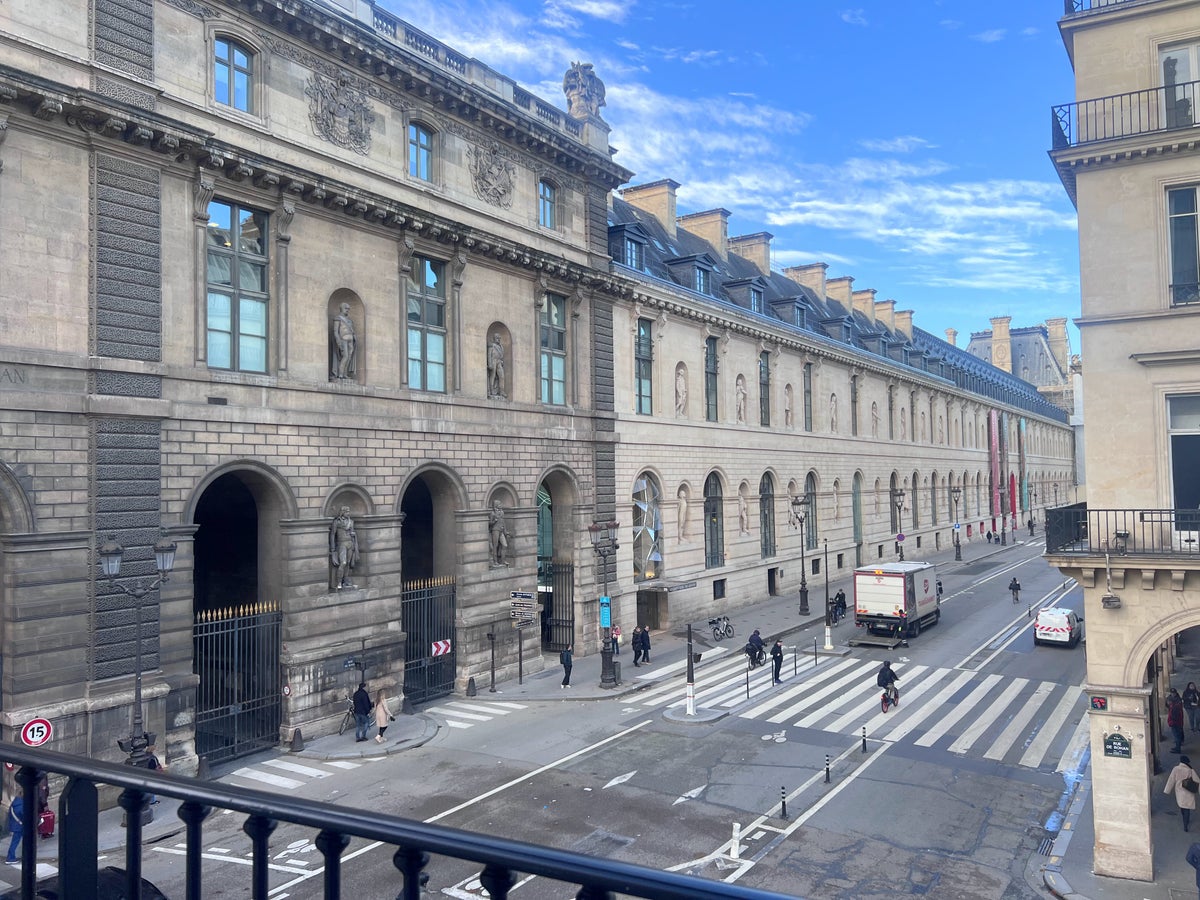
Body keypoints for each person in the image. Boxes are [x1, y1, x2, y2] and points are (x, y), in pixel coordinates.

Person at [328, 506, 359, 590]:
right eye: (347, 512)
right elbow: (332, 534)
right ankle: (338, 582)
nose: (348, 513)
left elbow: (353, 532)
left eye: (349, 512)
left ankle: (346, 581)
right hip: (341, 543)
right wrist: (332, 548)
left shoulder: (351, 522)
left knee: (348, 563)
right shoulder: (336, 522)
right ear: (343, 512)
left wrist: (353, 534)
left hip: (350, 543)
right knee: (343, 563)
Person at [1166, 754, 1200, 831]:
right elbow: (1197, 781)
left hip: (1179, 791)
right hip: (1188, 791)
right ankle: (1186, 823)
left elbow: (1171, 779)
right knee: (1187, 808)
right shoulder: (1190, 770)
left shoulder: (1176, 769)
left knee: (1182, 806)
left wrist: (1167, 790)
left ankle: (1185, 822)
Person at [331, 302, 356, 380]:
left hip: (350, 340)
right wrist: (338, 341)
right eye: (346, 308)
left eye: (348, 309)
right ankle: (340, 374)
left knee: (349, 357)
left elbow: (352, 330)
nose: (347, 310)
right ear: (342, 308)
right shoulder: (338, 318)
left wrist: (354, 337)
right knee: (345, 356)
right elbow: (335, 331)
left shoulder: (350, 320)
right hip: (343, 339)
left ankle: (345, 374)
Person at [489, 502, 509, 567]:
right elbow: (489, 523)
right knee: (495, 546)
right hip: (495, 530)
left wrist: (505, 531)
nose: (501, 505)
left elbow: (504, 522)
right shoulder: (493, 513)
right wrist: (494, 521)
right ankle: (495, 561)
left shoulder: (502, 512)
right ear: (496, 505)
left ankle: (502, 560)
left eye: (501, 504)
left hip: (501, 530)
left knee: (505, 545)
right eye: (499, 504)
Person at [487, 333, 506, 399]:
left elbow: (501, 355)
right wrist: (489, 364)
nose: (498, 339)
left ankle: (501, 391)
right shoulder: (491, 345)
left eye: (499, 338)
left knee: (502, 376)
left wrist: (501, 361)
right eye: (497, 338)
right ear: (494, 338)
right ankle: (492, 390)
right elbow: (489, 355)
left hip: (499, 362)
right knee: (493, 376)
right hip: (493, 361)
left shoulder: (501, 346)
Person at [6, 795, 23, 865]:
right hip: (20, 826)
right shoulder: (22, 804)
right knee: (15, 842)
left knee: (15, 841)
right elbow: (24, 815)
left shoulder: (14, 804)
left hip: (15, 825)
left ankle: (10, 857)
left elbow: (10, 814)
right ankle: (10, 858)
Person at [1171, 689, 1187, 753]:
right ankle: (1177, 747)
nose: (1173, 694)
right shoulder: (1174, 702)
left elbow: (1176, 715)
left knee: (1177, 735)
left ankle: (1178, 748)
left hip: (1176, 722)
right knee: (1177, 734)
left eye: (1174, 693)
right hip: (1176, 722)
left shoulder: (1177, 703)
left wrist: (1172, 721)